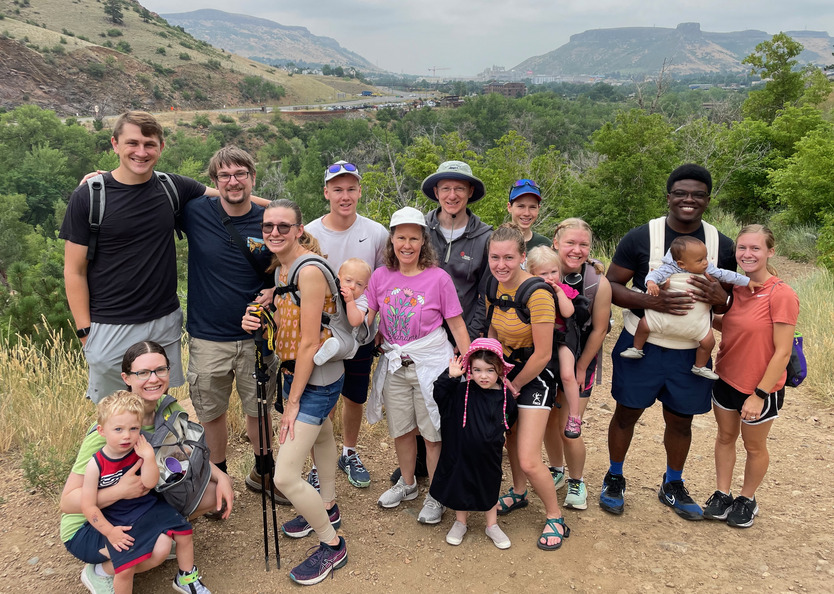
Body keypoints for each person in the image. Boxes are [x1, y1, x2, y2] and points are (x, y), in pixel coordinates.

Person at [602, 164, 735, 521]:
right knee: (627, 412)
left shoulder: (721, 243)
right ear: (669, 197)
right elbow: (611, 285)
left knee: (681, 420)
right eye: (681, 193)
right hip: (642, 343)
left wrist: (719, 296)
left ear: (707, 199)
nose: (688, 199)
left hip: (691, 350)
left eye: (697, 194)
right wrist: (649, 301)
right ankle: (614, 476)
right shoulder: (643, 236)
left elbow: (732, 300)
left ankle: (672, 484)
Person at [60, 111, 215, 404]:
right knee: (115, 417)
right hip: (109, 326)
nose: (141, 152)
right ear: (115, 144)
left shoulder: (173, 187)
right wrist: (86, 334)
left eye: (149, 144)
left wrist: (291, 217)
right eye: (132, 143)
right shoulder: (89, 197)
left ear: (161, 147)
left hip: (164, 321)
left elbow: (232, 198)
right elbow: (74, 271)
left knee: (155, 408)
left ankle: (156, 453)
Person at [60, 341, 233, 594]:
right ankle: (101, 571)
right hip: (90, 523)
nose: (153, 378)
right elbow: (67, 502)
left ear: (168, 372)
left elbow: (188, 456)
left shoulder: (169, 409)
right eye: (142, 372)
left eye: (160, 370)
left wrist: (222, 476)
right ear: (126, 378)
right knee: (157, 551)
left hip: (136, 506)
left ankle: (162, 537)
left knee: (213, 493)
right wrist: (120, 491)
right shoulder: (113, 430)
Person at [241, 199, 347, 586]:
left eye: (283, 227)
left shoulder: (309, 270)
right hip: (304, 374)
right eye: (268, 226)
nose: (274, 232)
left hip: (313, 378)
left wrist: (292, 403)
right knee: (322, 435)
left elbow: (307, 344)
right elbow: (292, 312)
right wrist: (262, 308)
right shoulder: (284, 266)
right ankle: (328, 506)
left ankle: (332, 545)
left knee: (285, 476)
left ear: (299, 230)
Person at [181, 146, 279, 498]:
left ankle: (264, 473)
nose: (233, 181)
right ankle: (217, 480)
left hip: (258, 335)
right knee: (212, 414)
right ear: (214, 181)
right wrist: (101, 180)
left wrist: (274, 294)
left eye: (240, 174)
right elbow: (148, 189)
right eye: (224, 175)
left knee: (259, 411)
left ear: (253, 177)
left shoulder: (271, 219)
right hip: (208, 336)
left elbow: (292, 263)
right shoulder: (194, 212)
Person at [366, 206, 470, 525]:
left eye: (414, 238)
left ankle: (436, 494)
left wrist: (469, 365)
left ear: (423, 241)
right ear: (392, 240)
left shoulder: (438, 279)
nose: (407, 244)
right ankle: (408, 483)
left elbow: (457, 325)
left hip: (431, 364)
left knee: (432, 433)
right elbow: (367, 319)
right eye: (401, 237)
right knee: (402, 429)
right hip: (397, 365)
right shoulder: (380, 276)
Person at [703, 225, 799, 528]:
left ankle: (747, 498)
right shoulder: (738, 287)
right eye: (742, 248)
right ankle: (722, 493)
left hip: (759, 387)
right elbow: (732, 325)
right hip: (726, 377)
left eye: (755, 248)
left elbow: (783, 352)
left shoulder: (781, 294)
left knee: (754, 446)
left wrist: (759, 394)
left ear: (770, 251)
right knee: (725, 437)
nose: (747, 254)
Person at [305, 160, 388, 489]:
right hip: (321, 333)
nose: (345, 195)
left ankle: (349, 452)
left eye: (351, 188)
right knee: (321, 399)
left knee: (354, 396)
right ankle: (317, 463)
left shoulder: (376, 232)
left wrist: (371, 324)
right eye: (337, 189)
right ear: (326, 192)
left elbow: (382, 281)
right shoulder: (310, 232)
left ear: (359, 191)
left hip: (360, 331)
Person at [487, 223, 570, 551]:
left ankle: (555, 516)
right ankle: (519, 493)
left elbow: (544, 353)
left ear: (523, 256)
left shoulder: (537, 293)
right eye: (495, 257)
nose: (501, 264)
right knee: (508, 436)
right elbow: (493, 332)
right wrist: (492, 371)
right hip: (506, 371)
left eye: (509, 257)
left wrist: (512, 384)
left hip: (535, 375)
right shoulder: (494, 286)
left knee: (528, 457)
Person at [80, 391, 209, 594]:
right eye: (118, 429)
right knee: (126, 566)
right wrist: (109, 531)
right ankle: (105, 573)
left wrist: (148, 458)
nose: (126, 435)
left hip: (147, 506)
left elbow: (149, 484)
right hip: (117, 517)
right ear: (101, 430)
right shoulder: (96, 464)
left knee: (183, 531)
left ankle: (186, 577)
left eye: (133, 428)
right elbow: (87, 505)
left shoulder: (139, 450)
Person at [542, 219, 612, 511]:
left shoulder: (598, 282)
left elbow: (600, 329)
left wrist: (583, 365)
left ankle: (577, 480)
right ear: (556, 242)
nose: (577, 249)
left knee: (570, 425)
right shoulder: (541, 270)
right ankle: (556, 469)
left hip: (581, 356)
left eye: (583, 244)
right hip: (545, 357)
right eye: (570, 242)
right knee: (547, 420)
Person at [621, 236, 761, 380]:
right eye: (700, 260)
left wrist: (747, 281)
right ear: (681, 264)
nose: (706, 262)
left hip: (695, 322)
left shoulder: (708, 269)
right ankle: (637, 348)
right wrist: (651, 283)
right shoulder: (669, 268)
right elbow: (654, 274)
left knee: (708, 342)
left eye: (705, 257)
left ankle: (699, 366)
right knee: (644, 324)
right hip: (663, 318)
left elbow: (726, 275)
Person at [430, 338, 517, 549]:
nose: (483, 376)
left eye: (489, 370)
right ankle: (461, 522)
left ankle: (492, 524)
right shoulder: (461, 391)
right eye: (477, 370)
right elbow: (439, 395)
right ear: (469, 369)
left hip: (489, 455)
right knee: (461, 484)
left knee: (489, 484)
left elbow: (510, 418)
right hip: (461, 453)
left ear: (500, 370)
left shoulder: (505, 397)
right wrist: (450, 377)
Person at [422, 160, 493, 343]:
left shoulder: (485, 238)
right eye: (445, 188)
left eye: (459, 188)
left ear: (470, 191)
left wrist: (470, 336)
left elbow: (485, 293)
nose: (452, 196)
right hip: (420, 337)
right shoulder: (420, 230)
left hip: (460, 337)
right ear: (436, 192)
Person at [526, 246, 583, 439]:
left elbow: (568, 312)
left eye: (554, 271)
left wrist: (559, 292)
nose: (550, 277)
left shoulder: (563, 289)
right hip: (541, 339)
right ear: (531, 274)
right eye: (543, 273)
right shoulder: (529, 291)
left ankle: (575, 416)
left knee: (567, 375)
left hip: (563, 337)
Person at [313, 257, 372, 366]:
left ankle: (325, 354)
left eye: (359, 284)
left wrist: (350, 302)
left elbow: (355, 321)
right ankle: (322, 350)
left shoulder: (361, 300)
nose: (352, 286)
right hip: (334, 331)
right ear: (338, 280)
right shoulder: (334, 292)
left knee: (343, 345)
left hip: (350, 340)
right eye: (348, 280)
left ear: (365, 288)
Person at [507, 179, 551, 260]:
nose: (526, 213)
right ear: (509, 207)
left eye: (532, 207)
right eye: (521, 206)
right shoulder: (495, 241)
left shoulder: (545, 244)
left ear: (538, 209)